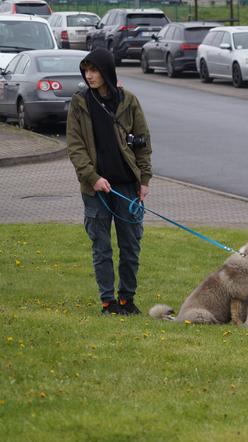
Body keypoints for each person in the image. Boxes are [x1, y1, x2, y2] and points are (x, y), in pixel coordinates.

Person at [66, 48, 152, 316]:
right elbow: (75, 147)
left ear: (107, 72)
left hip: (126, 185)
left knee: (130, 245)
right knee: (101, 246)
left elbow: (143, 140)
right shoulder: (79, 103)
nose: (89, 76)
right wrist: (93, 178)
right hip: (96, 189)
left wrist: (144, 178)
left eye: (94, 71)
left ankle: (127, 299)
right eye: (86, 71)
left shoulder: (129, 100)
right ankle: (108, 302)